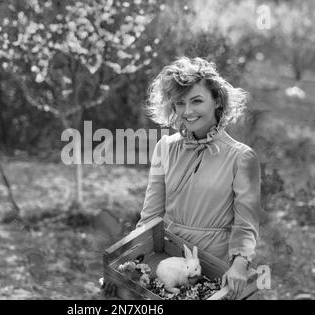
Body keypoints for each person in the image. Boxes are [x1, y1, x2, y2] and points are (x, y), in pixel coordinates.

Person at [104, 57, 261, 300]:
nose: (187, 111)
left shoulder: (242, 157)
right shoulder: (165, 147)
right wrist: (128, 264)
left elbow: (246, 223)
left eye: (197, 101)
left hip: (211, 265)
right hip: (169, 259)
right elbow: (150, 216)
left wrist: (240, 264)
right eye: (180, 103)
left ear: (217, 100)